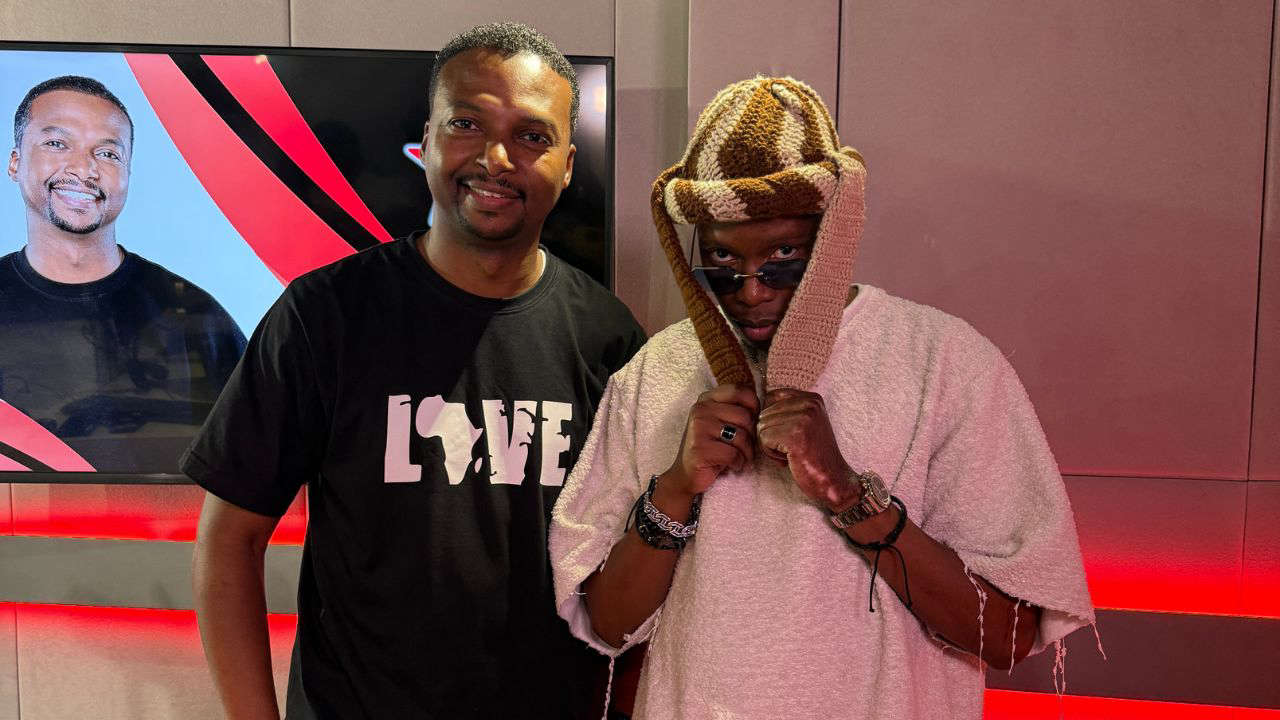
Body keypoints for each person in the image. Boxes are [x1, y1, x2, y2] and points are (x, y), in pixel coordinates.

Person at [550, 76, 1095, 719]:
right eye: (721, 261)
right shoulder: (655, 373)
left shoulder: (946, 364)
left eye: (784, 255)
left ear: (833, 237)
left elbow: (1006, 637)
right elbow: (607, 625)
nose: (751, 291)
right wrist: (673, 490)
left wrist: (846, 492)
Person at [184, 22, 646, 720]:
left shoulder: (609, 339)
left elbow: (633, 569)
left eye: (532, 135)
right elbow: (230, 538)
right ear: (427, 139)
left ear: (568, 165)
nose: (496, 158)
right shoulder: (324, 315)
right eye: (467, 123)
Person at [1, 75, 245, 471]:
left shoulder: (194, 316)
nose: (84, 168)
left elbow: (252, 461)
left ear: (128, 173)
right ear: (15, 162)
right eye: (57, 144)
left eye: (107, 153)